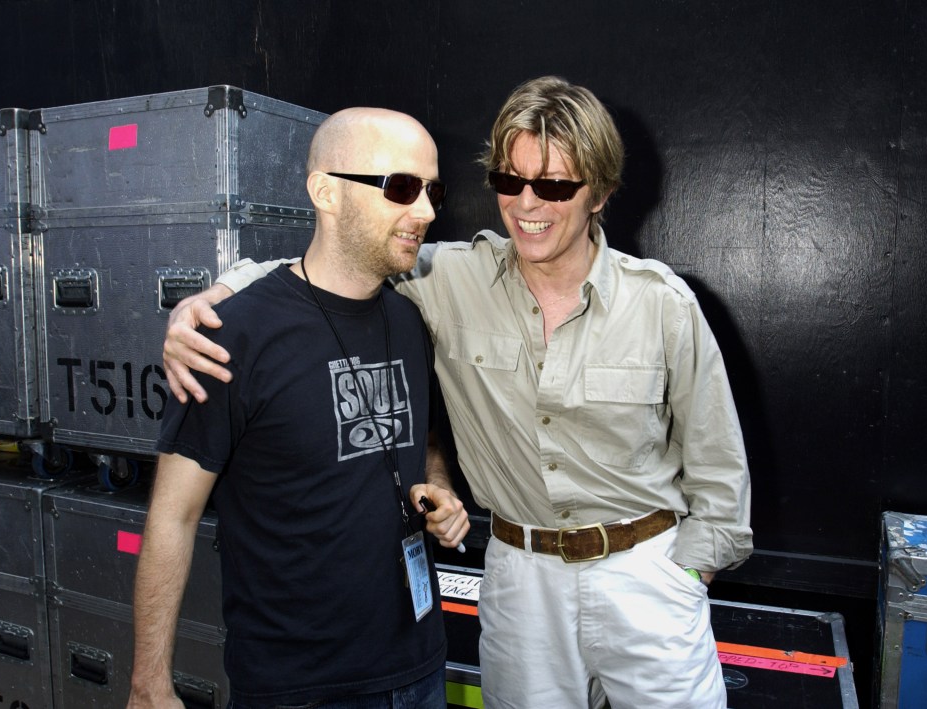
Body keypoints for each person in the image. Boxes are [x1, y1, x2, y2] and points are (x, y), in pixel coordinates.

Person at [162, 76, 753, 709]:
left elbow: (720, 468)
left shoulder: (661, 302)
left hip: (647, 576)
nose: (528, 204)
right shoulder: (450, 276)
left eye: (554, 186)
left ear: (601, 193)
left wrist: (685, 576)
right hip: (520, 580)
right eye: (511, 181)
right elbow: (335, 261)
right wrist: (216, 297)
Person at [127, 107, 469, 709]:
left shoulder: (409, 319)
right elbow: (172, 517)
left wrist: (436, 488)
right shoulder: (232, 335)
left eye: (432, 191)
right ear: (325, 192)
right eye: (401, 188)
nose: (426, 211)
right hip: (299, 689)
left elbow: (426, 442)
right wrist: (149, 683)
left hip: (418, 669)